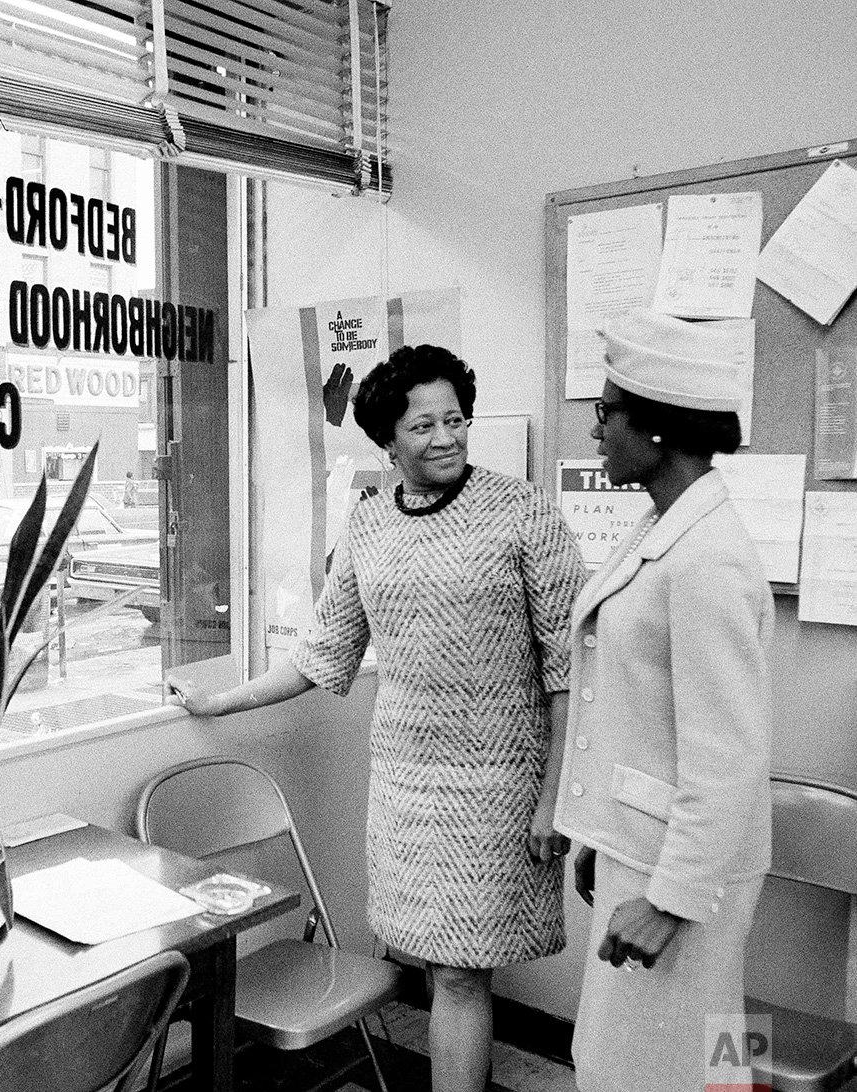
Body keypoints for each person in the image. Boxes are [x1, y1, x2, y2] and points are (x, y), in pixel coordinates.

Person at [169, 345, 586, 1092]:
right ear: (387, 440)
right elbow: (322, 652)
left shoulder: (523, 511)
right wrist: (219, 701)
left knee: (461, 974)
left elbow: (571, 672)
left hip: (499, 786)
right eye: (424, 425)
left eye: (457, 419)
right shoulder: (368, 527)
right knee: (436, 966)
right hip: (404, 786)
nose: (448, 437)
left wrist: (557, 796)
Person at [556, 309, 772, 1092]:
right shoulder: (669, 525)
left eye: (606, 414)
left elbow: (729, 758)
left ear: (655, 430)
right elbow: (647, 717)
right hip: (649, 851)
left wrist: (668, 900)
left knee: (655, 1072)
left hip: (683, 878)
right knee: (664, 1061)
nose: (596, 432)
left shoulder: (707, 560)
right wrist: (604, 838)